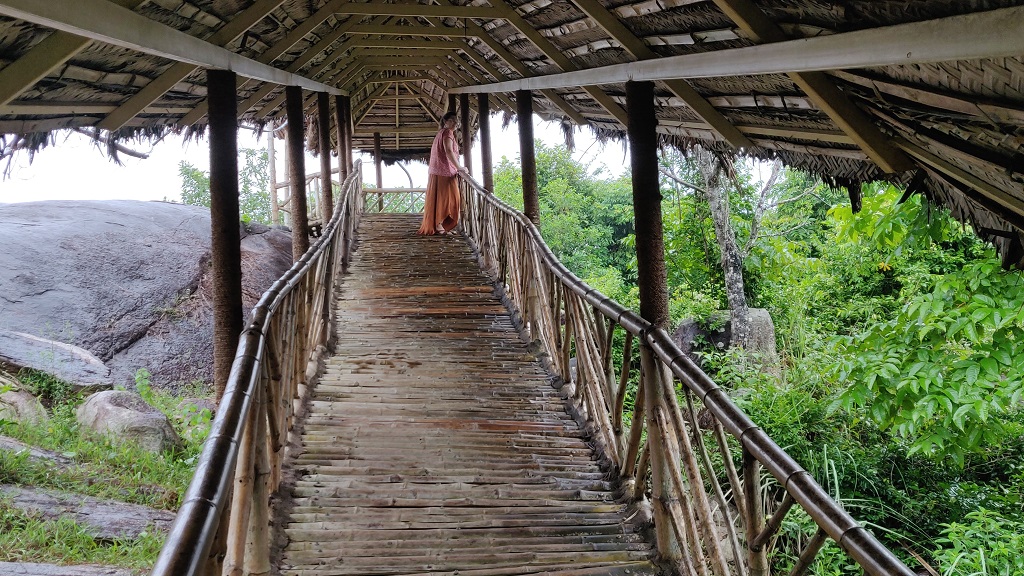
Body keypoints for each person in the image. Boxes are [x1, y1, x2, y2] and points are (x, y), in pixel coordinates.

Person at [418, 111, 467, 235]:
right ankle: (440, 226)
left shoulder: (441, 133)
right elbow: (449, 151)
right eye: (452, 120)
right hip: (444, 172)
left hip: (437, 171)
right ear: (445, 121)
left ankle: (439, 226)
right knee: (449, 200)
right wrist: (459, 167)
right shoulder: (447, 133)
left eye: (457, 121)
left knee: (440, 199)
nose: (456, 123)